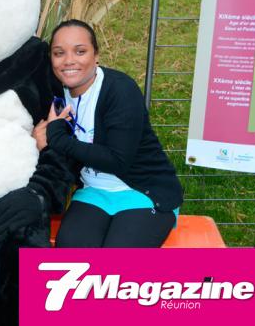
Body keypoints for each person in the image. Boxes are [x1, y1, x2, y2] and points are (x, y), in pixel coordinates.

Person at [33, 19, 183, 247]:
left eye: (80, 51)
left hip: (142, 191)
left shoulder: (120, 89)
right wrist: (43, 145)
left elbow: (118, 160)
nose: (69, 60)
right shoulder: (55, 95)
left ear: (96, 55)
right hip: (93, 191)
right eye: (59, 53)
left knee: (116, 257)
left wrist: (57, 139)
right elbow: (65, 160)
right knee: (70, 250)